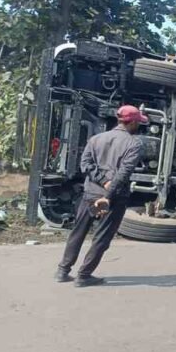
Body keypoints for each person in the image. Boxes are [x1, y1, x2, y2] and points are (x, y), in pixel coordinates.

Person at [55, 105, 146, 287]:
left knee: (78, 232)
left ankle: (62, 270)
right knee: (102, 237)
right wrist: (109, 191)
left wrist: (102, 180)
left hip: (90, 193)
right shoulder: (134, 143)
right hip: (113, 198)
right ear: (133, 122)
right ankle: (84, 275)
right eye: (139, 122)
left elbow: (85, 164)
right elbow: (123, 173)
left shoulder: (96, 139)